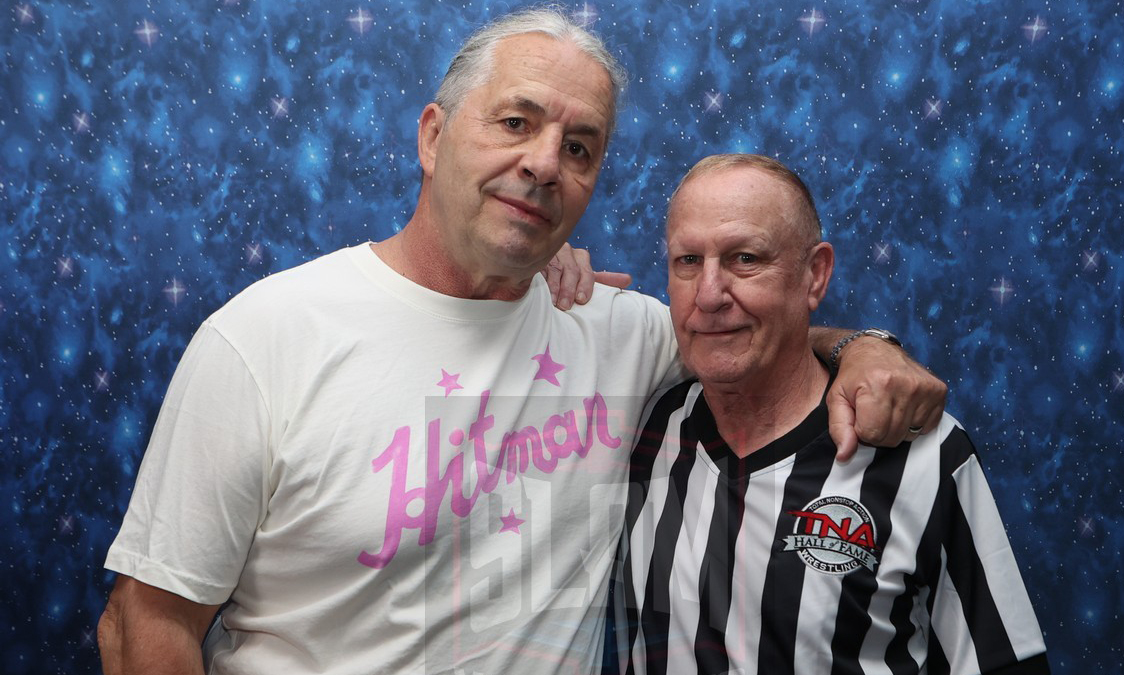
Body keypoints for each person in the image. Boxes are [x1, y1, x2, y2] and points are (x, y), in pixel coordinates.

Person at [97, 10, 946, 675]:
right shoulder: (266, 337)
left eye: (579, 147)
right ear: (433, 137)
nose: (545, 163)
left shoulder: (620, 332)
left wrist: (867, 346)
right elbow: (145, 625)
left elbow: (752, 335)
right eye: (515, 122)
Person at [613, 154, 1048, 674]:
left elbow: (1006, 663)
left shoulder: (922, 452)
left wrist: (866, 347)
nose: (708, 295)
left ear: (814, 275)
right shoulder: (639, 422)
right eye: (687, 260)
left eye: (745, 258)